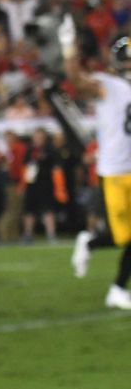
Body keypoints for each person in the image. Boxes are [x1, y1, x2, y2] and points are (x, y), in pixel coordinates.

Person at [67, 36, 131, 309]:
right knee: (123, 238)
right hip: (115, 172)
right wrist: (68, 47)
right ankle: (91, 242)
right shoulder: (108, 85)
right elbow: (76, 81)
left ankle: (118, 289)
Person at [21, 127, 60, 243]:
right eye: (36, 137)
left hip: (45, 183)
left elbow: (56, 168)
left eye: (40, 137)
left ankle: (51, 234)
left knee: (48, 209)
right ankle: (28, 234)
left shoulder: (50, 150)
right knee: (29, 210)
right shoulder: (29, 150)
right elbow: (25, 167)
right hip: (31, 183)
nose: (38, 140)